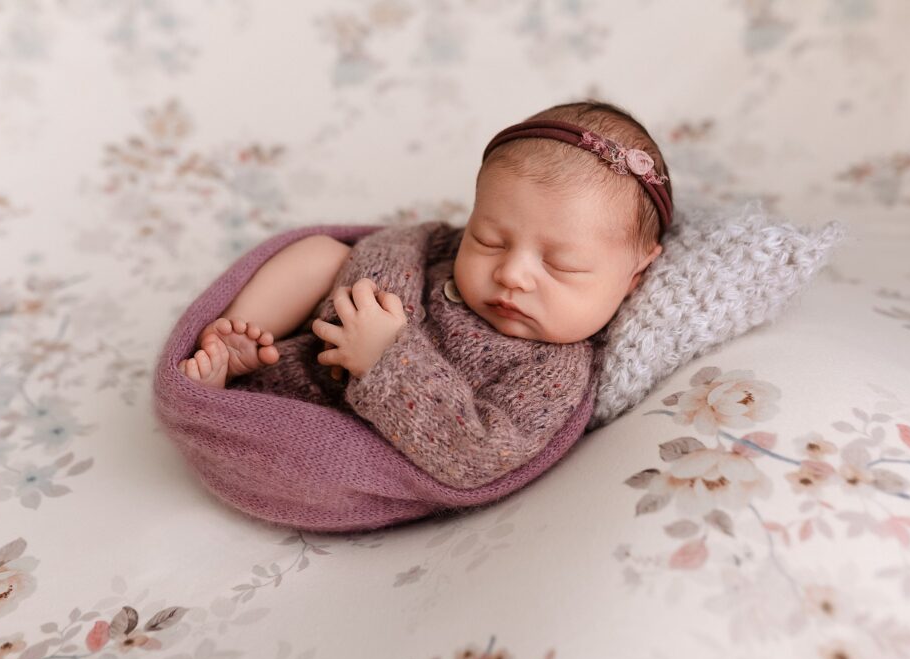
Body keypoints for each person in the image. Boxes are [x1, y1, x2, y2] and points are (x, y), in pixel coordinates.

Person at [176, 99, 674, 489]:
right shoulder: (440, 245)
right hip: (311, 348)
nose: (511, 274)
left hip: (346, 431)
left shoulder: (553, 372)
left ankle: (231, 410)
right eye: (489, 239)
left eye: (560, 265)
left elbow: (477, 454)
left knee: (325, 452)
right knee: (322, 253)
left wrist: (387, 356)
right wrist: (375, 309)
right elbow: (390, 245)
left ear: (633, 277)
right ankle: (239, 344)